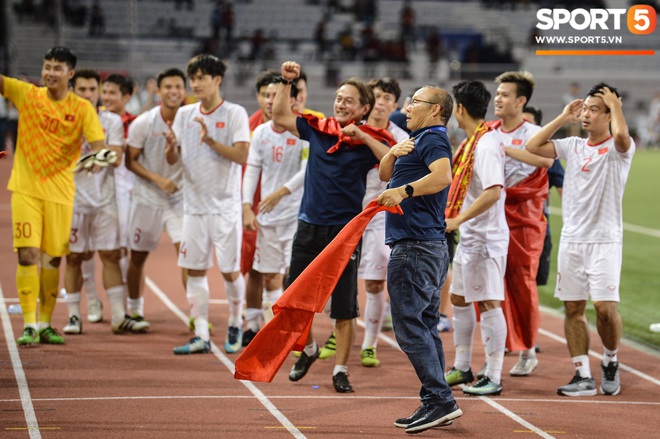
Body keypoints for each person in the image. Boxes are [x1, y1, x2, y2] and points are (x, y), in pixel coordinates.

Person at [273, 61, 393, 393]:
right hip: (309, 226)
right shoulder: (318, 127)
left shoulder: (372, 138)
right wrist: (286, 82)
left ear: (364, 108)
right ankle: (309, 349)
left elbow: (390, 167)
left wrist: (365, 137)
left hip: (343, 235)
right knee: (292, 301)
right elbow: (281, 116)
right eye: (339, 98)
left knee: (344, 308)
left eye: (348, 100)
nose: (340, 104)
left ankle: (340, 369)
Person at [526, 83, 635, 397]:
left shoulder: (618, 148)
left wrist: (616, 106)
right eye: (585, 109)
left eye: (594, 110)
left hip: (605, 242)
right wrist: (562, 117)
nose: (586, 115)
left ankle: (611, 360)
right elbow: (534, 146)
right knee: (573, 308)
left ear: (610, 114)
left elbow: (622, 137)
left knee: (604, 308)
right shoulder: (572, 145)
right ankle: (582, 375)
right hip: (573, 241)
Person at [1, 47, 106, 345]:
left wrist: (99, 159)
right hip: (25, 190)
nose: (49, 72)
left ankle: (46, 323)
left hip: (61, 194)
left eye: (57, 68)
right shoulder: (27, 94)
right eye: (47, 66)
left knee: (52, 260)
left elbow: (99, 146)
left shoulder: (83, 109)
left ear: (70, 73)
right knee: (27, 255)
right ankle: (30, 325)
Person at [377, 85, 462, 433]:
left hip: (415, 246)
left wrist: (404, 190)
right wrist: (393, 154)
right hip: (424, 245)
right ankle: (434, 400)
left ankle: (441, 399)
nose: (407, 108)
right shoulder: (419, 138)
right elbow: (384, 175)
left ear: (437, 110)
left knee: (409, 326)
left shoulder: (433, 139)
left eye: (415, 103)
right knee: (425, 326)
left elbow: (443, 176)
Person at [165, 54, 250, 355]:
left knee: (229, 272)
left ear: (218, 79)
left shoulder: (235, 114)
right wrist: (170, 149)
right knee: (195, 270)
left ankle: (235, 321)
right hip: (194, 208)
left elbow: (241, 156)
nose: (196, 83)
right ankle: (200, 332)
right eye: (194, 77)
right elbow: (173, 159)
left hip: (225, 208)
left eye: (202, 77)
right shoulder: (184, 114)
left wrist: (210, 140)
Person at [62, 69, 148, 335]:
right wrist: (96, 158)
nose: (88, 94)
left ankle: (119, 315)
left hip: (105, 201)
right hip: (73, 201)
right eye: (82, 89)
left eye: (92, 89)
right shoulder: (63, 120)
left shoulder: (110, 121)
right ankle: (75, 316)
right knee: (75, 257)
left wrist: (93, 160)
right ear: (73, 90)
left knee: (111, 256)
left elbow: (116, 157)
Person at [443, 81, 508, 396]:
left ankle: (493, 375)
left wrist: (457, 219)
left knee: (488, 301)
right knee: (459, 298)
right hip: (470, 236)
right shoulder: (471, 141)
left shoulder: (484, 145)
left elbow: (493, 191)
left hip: (485, 238)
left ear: (460, 109)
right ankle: (463, 365)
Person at [490, 71, 553, 378]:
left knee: (521, 283)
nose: (497, 99)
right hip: (492, 216)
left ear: (521, 101)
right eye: (497, 93)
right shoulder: (488, 130)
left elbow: (547, 162)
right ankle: (495, 349)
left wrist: (505, 149)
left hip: (523, 219)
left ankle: (527, 349)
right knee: (490, 282)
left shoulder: (534, 133)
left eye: (504, 94)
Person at [242, 79, 308, 345]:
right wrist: (246, 206)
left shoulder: (303, 129)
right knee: (269, 276)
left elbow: (307, 171)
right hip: (267, 218)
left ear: (291, 100)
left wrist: (282, 192)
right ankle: (274, 332)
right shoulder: (259, 133)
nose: (270, 100)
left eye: (276, 95)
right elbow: (252, 170)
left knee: (294, 277)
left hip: (295, 217)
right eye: (267, 95)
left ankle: (294, 330)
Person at [124, 68, 188, 328]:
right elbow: (130, 161)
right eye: (168, 87)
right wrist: (158, 179)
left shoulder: (191, 121)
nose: (173, 91)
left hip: (179, 198)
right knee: (138, 257)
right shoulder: (144, 122)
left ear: (184, 91)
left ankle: (196, 314)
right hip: (148, 197)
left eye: (178, 87)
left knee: (187, 255)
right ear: (158, 90)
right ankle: (135, 310)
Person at [357, 77, 408, 367]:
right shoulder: (352, 128)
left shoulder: (401, 138)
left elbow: (392, 173)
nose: (381, 102)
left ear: (395, 105)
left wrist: (366, 138)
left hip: (378, 216)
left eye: (387, 98)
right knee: (339, 281)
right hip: (347, 213)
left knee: (375, 282)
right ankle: (338, 335)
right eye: (376, 96)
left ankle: (369, 344)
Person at [101, 74, 139, 316]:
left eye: (112, 93)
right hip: (98, 190)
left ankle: (129, 305)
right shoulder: (93, 119)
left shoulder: (135, 123)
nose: (106, 97)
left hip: (126, 191)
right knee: (82, 251)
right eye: (104, 92)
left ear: (126, 97)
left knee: (122, 248)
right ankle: (94, 301)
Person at [522, 106, 564, 287]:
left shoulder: (550, 159)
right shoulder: (501, 150)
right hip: (504, 228)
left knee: (532, 284)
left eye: (529, 124)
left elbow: (565, 193)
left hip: (538, 229)